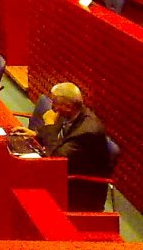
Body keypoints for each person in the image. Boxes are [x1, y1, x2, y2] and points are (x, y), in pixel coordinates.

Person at [15, 82, 111, 211]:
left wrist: (49, 124)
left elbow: (57, 160)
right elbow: (56, 135)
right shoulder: (69, 113)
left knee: (24, 181)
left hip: (78, 187)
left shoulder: (87, 131)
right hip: (66, 171)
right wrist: (35, 134)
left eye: (55, 103)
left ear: (68, 106)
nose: (52, 108)